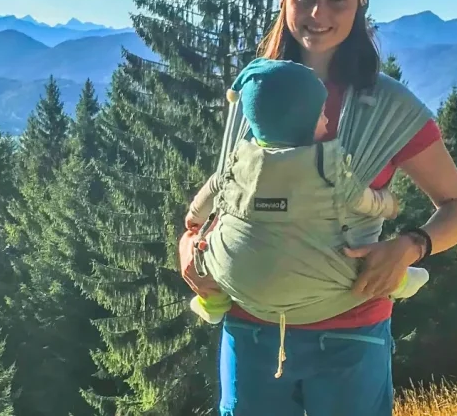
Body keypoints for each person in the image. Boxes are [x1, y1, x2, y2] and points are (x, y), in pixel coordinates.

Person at [177, 0, 457, 415]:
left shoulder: (390, 109)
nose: (319, 14)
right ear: (285, 1)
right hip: (248, 324)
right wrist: (190, 243)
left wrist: (409, 247)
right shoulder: (255, 93)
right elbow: (229, 189)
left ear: (360, 4)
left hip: (350, 328)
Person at [184, 56, 430, 325]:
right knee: (365, 262)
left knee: (212, 258)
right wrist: (389, 204)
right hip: (332, 292)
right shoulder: (326, 165)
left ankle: (213, 303)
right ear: (303, 122)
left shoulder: (240, 159)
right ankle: (402, 281)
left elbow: (214, 188)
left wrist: (194, 218)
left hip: (241, 285)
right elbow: (361, 199)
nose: (327, 120)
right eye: (321, 114)